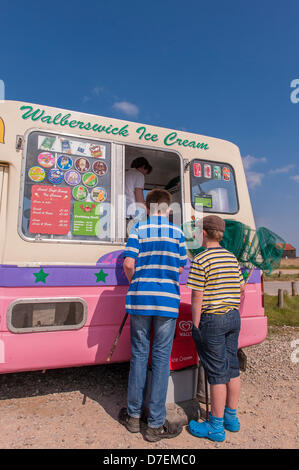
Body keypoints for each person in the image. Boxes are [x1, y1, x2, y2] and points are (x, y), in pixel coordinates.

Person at [118, 189, 187, 442]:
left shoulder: (138, 229)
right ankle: (155, 424)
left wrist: (136, 282)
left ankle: (134, 417)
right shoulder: (178, 234)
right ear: (168, 210)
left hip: (140, 300)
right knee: (160, 358)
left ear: (147, 209)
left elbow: (128, 263)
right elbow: (181, 266)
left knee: (138, 355)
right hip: (167, 302)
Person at [186, 215, 245, 442]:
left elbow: (197, 296)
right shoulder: (231, 257)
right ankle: (231, 417)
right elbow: (240, 287)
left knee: (216, 373)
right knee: (232, 367)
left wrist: (195, 324)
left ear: (204, 233)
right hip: (233, 317)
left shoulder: (201, 259)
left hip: (213, 319)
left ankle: (216, 426)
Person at [125, 157, 152, 233]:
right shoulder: (139, 175)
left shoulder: (124, 173)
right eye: (145, 172)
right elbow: (139, 197)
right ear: (143, 166)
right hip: (130, 213)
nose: (144, 175)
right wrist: (148, 212)